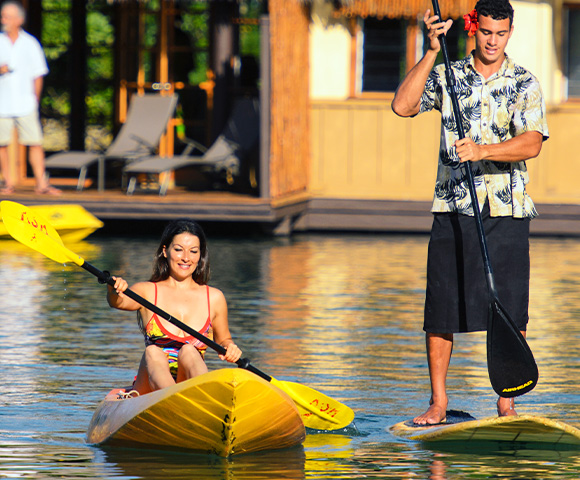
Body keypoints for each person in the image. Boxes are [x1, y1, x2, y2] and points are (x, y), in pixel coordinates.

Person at [391, 0, 548, 424]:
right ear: (472, 28)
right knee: (440, 307)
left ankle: (507, 402)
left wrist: (483, 152)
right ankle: (438, 403)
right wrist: (430, 50)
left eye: (501, 33)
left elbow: (531, 142)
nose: (493, 41)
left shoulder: (524, 82)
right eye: (486, 33)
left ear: (509, 32)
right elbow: (403, 106)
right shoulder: (447, 73)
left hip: (507, 209)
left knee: (511, 307)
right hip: (453, 207)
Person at [107, 219, 242, 395]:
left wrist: (230, 348)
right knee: (153, 352)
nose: (186, 258)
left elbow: (224, 340)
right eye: (178, 250)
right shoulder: (148, 291)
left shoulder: (214, 298)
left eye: (193, 251)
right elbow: (118, 302)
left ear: (200, 255)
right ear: (165, 251)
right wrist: (113, 288)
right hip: (149, 387)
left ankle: (200, 397)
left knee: (189, 351)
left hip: (188, 382)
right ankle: (172, 398)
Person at [0, 1, 60, 195]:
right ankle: (8, 182)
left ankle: (41, 183)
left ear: (19, 20)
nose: (4, 20)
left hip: (25, 103)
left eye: (7, 17)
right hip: (2, 103)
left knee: (34, 142)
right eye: (2, 16)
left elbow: (38, 73)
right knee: (1, 144)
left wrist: (35, 99)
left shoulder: (30, 43)